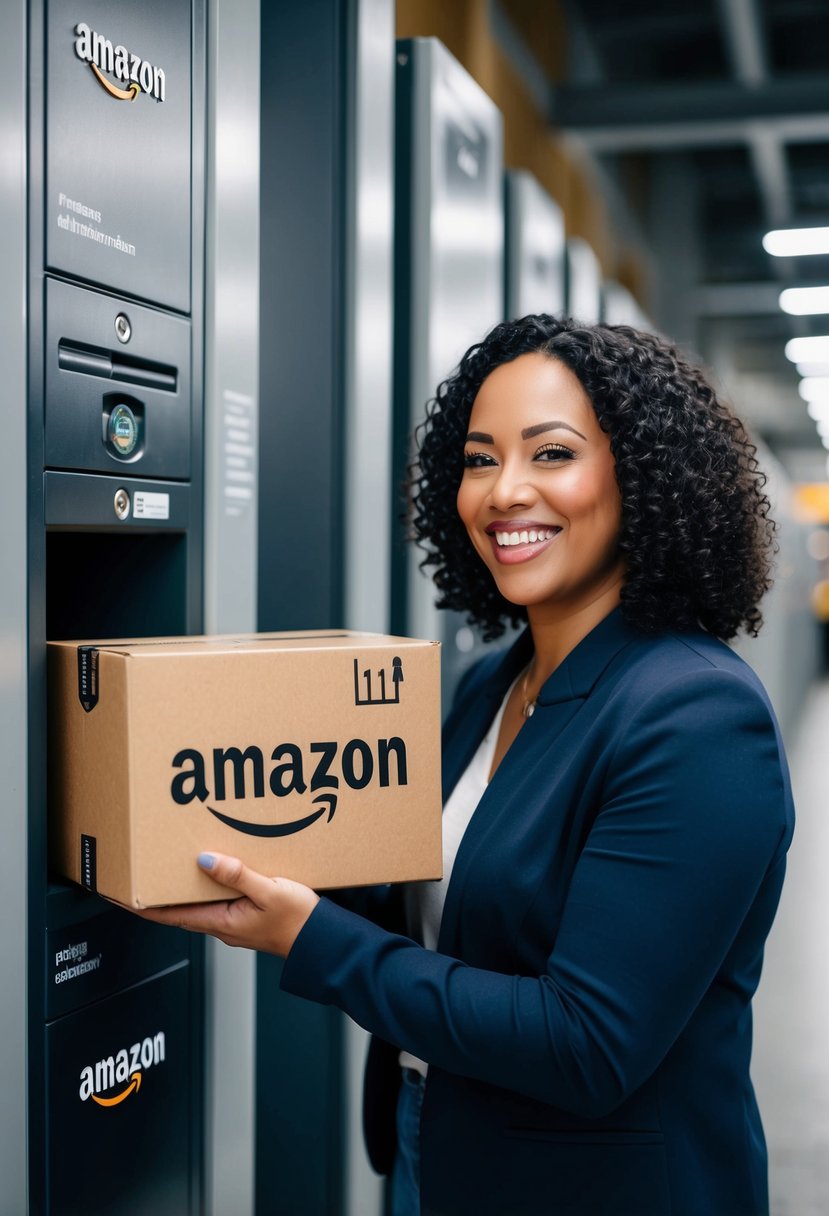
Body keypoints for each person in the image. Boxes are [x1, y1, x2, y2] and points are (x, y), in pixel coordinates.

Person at [137, 315, 795, 1216]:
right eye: (479, 459)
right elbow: (440, 899)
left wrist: (309, 937)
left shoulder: (695, 715)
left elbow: (586, 1043)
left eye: (550, 454)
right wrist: (223, 847)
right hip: (439, 1144)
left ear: (642, 479)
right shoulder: (493, 684)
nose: (503, 492)